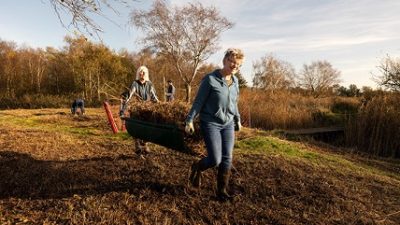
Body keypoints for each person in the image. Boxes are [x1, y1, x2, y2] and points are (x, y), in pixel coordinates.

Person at [184, 48, 244, 201]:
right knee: (215, 159)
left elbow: (234, 103)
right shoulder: (210, 79)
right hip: (211, 122)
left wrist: (237, 119)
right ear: (224, 60)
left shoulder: (236, 82)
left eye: (238, 64)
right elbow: (199, 101)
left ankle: (221, 191)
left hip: (228, 123)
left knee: (227, 158)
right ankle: (197, 166)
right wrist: (189, 119)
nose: (234, 66)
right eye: (232, 62)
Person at [119, 65, 159, 154]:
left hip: (146, 108)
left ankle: (145, 144)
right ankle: (137, 144)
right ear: (138, 74)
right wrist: (122, 109)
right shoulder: (135, 83)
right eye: (140, 72)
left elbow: (154, 96)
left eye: (143, 72)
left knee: (148, 126)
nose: (141, 74)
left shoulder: (149, 84)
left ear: (146, 74)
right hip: (137, 107)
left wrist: (159, 105)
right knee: (136, 126)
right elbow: (129, 95)